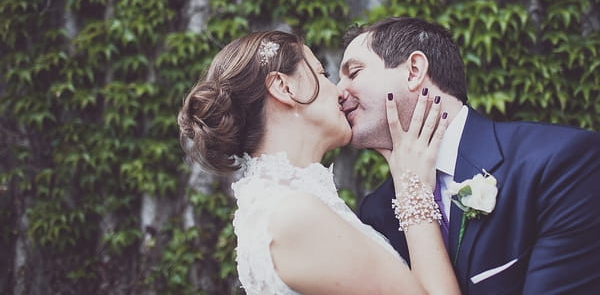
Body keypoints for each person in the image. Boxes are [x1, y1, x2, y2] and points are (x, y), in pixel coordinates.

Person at [177, 30, 461, 294]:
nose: (340, 92)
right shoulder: (294, 213)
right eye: (322, 73)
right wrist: (413, 190)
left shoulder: (284, 204)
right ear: (283, 87)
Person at [337, 16, 600, 294]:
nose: (338, 92)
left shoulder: (559, 161)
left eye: (353, 73)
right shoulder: (376, 212)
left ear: (414, 70)